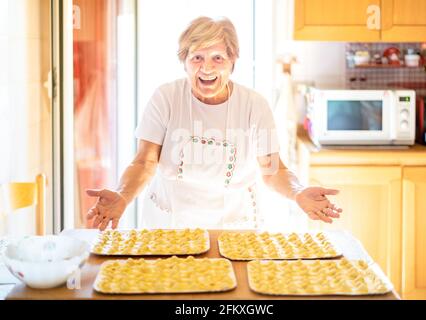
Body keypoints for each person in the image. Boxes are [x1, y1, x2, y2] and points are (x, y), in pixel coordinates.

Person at [86, 16, 342, 231]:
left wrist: (297, 192)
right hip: (169, 225)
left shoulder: (254, 105)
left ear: (233, 62)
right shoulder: (166, 98)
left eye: (218, 58)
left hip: (233, 228)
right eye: (197, 57)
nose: (206, 68)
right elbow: (144, 162)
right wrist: (122, 194)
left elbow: (272, 169)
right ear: (184, 62)